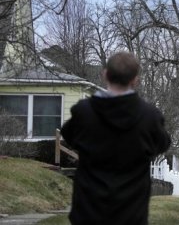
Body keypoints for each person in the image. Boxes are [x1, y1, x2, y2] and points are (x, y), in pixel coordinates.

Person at [61, 52, 171, 225]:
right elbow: (162, 144)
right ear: (135, 80)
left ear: (105, 74)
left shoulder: (84, 113)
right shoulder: (149, 118)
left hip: (88, 211)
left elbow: (68, 135)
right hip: (131, 212)